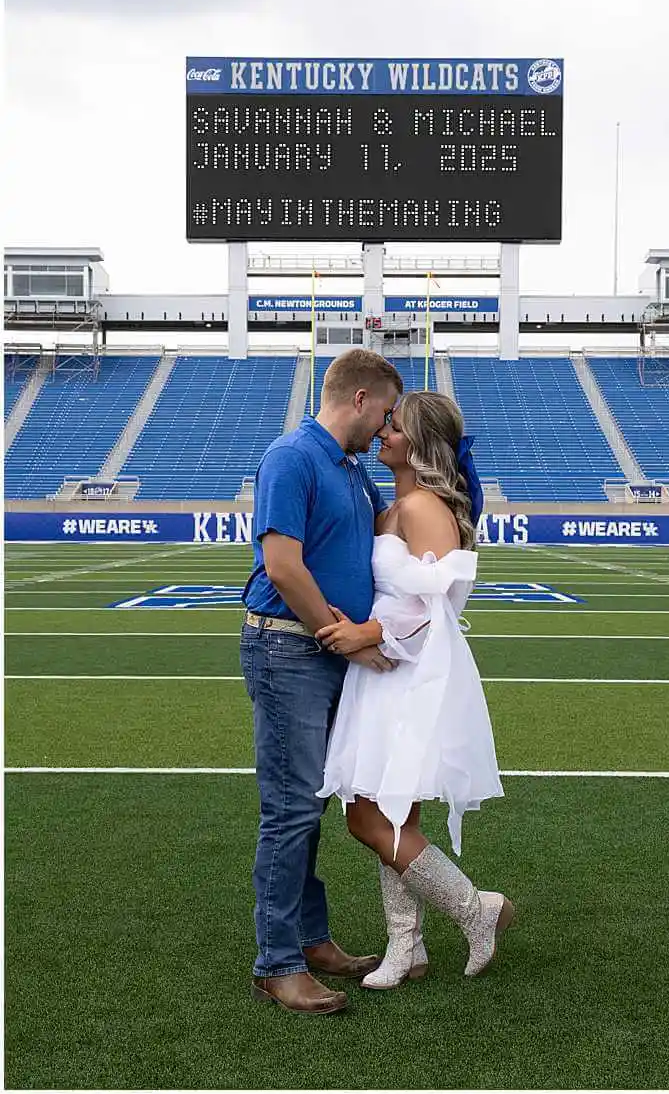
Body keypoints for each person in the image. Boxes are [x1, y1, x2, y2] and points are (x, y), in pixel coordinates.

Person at [314, 390, 512, 990]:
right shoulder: (397, 504)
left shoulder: (424, 505)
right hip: (379, 675)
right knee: (389, 812)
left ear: (419, 443)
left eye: (393, 427)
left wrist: (368, 633)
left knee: (367, 819)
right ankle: (407, 946)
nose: (383, 433)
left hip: (405, 678)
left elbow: (442, 603)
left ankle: (477, 909)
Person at [240, 348, 404, 1015]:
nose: (387, 425)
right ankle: (276, 963)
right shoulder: (293, 457)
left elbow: (383, 536)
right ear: (360, 399)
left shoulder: (351, 469)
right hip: (288, 651)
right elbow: (281, 565)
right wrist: (340, 635)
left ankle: (310, 939)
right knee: (290, 810)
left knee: (312, 805)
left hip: (325, 656)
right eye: (386, 412)